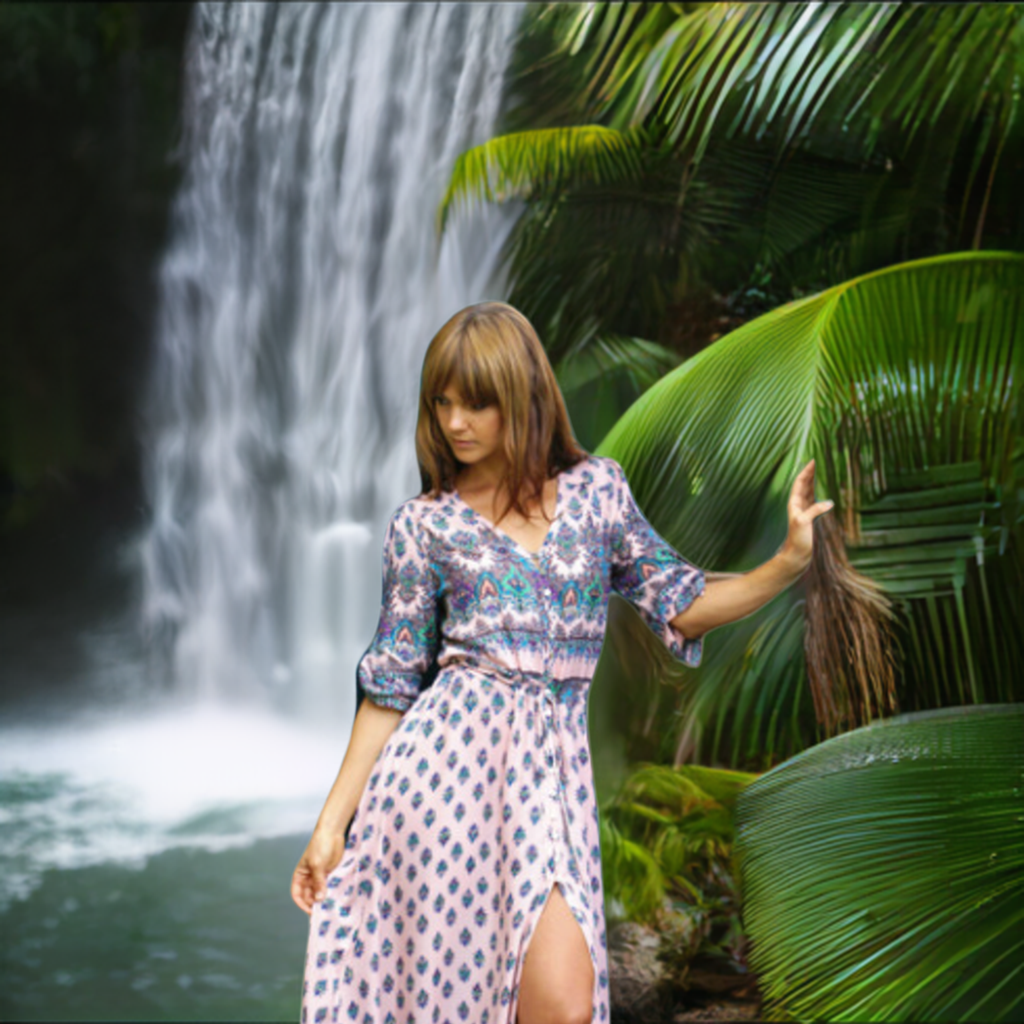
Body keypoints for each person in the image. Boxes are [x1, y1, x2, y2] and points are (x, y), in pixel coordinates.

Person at [292, 301, 832, 1024]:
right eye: (442, 403)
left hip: (553, 777)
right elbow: (390, 685)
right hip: (441, 789)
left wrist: (787, 562)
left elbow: (680, 599)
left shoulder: (597, 493)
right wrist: (333, 824)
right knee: (460, 1003)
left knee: (563, 1006)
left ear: (523, 396)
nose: (455, 423)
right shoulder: (424, 525)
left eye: (476, 403)